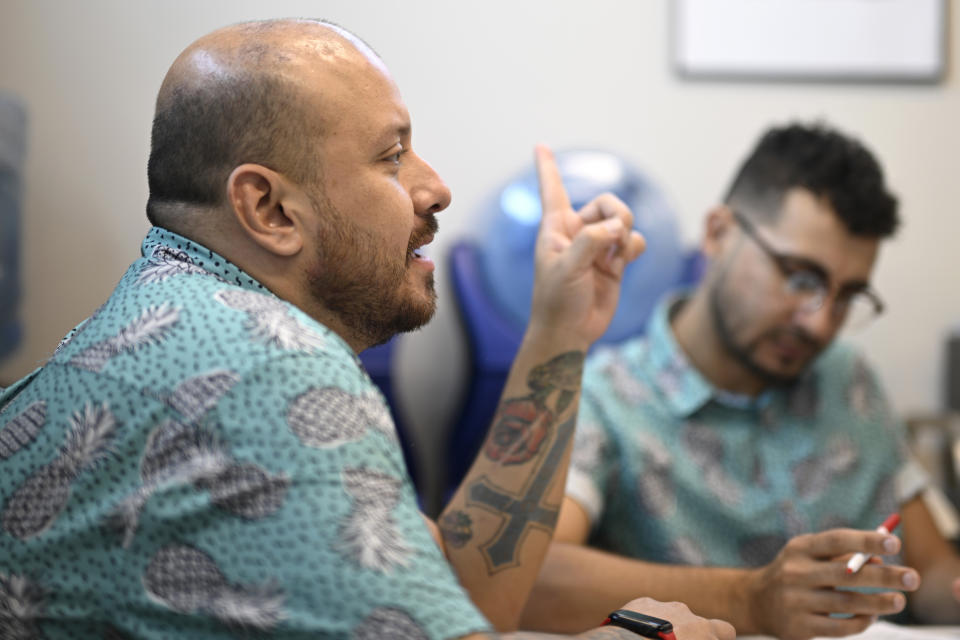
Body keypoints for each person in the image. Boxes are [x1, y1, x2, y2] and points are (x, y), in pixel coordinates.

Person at [0, 18, 736, 640]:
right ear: (270, 210)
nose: (436, 187)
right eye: (392, 156)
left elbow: (459, 595)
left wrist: (558, 330)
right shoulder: (264, 369)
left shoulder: (176, 318)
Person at [519, 122, 960, 639]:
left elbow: (931, 569)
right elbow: (531, 579)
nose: (820, 322)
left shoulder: (848, 378)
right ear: (718, 233)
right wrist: (750, 599)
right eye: (799, 277)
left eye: (846, 297)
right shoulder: (608, 396)